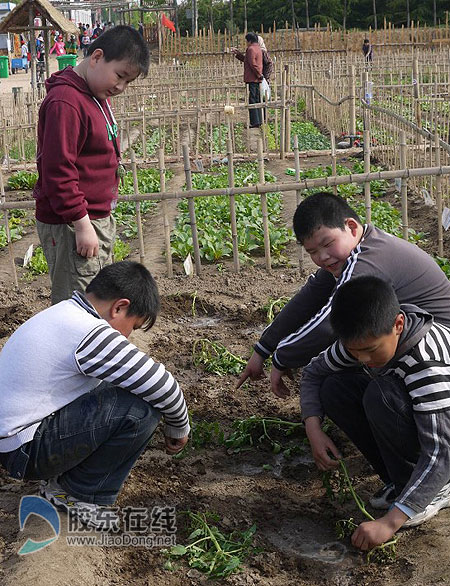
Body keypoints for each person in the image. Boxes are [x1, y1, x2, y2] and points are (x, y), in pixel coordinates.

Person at [0, 261, 190, 530]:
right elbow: (163, 386)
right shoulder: (89, 332)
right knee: (141, 408)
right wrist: (179, 427)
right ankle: (77, 493)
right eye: (132, 327)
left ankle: (67, 481)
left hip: (16, 441)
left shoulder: (65, 312)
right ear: (119, 307)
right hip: (26, 451)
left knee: (121, 387)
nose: (128, 336)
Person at [236, 192, 450, 396]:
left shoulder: (367, 260)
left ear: (351, 227)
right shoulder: (357, 251)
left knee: (344, 379)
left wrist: (282, 357)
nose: (323, 257)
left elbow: (328, 322)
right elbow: (308, 298)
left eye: (328, 244)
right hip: (409, 341)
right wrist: (263, 349)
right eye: (312, 252)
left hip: (436, 356)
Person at [302, 275, 450, 550]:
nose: (363, 360)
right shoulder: (363, 340)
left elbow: (442, 451)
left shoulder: (427, 363)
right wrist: (313, 429)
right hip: (424, 418)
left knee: (381, 394)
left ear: (398, 324)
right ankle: (400, 482)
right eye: (354, 351)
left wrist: (389, 522)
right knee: (335, 388)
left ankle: (433, 491)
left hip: (444, 437)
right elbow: (313, 373)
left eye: (370, 351)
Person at [33, 25, 149, 305]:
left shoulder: (95, 95)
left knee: (95, 294)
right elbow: (58, 171)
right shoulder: (66, 102)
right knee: (79, 302)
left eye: (128, 82)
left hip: (91, 218)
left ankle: (88, 346)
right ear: (97, 57)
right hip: (72, 223)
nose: (120, 87)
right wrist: (82, 223)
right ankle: (72, 348)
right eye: (120, 76)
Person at [231, 32, 263, 129]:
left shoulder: (250, 49)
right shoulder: (258, 48)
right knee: (257, 99)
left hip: (252, 78)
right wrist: (238, 55)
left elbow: (253, 64)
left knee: (252, 100)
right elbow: (248, 60)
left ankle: (255, 122)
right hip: (256, 78)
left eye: (246, 41)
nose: (246, 43)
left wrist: (258, 74)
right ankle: (259, 120)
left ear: (249, 41)